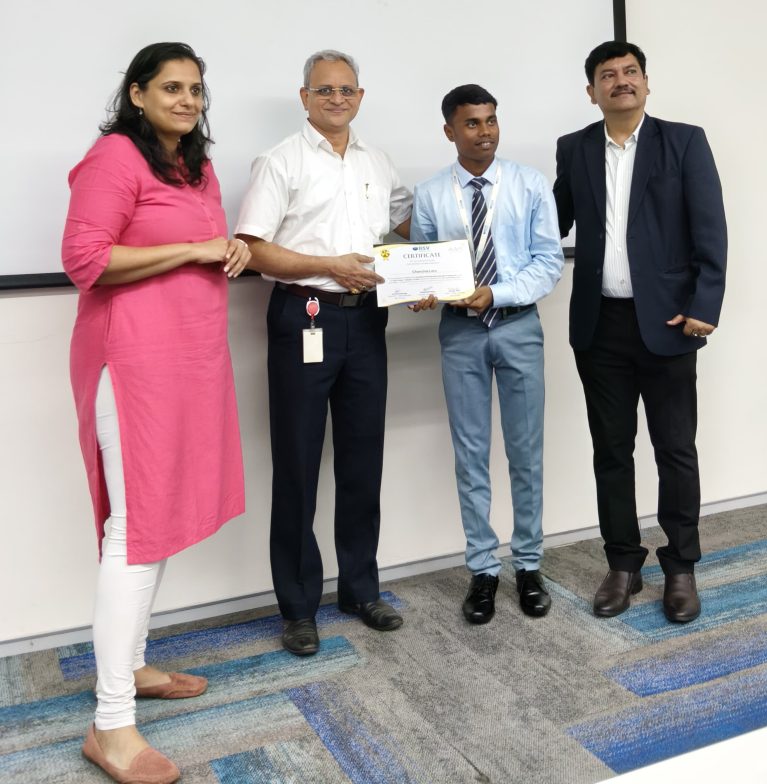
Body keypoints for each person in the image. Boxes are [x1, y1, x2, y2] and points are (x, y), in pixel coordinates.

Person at [62, 42, 249, 784]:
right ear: (136, 93)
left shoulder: (195, 165)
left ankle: (134, 665)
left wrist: (228, 249)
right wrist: (195, 249)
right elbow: (86, 260)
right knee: (136, 531)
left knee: (159, 517)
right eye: (171, 87)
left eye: (196, 89)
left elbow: (202, 243)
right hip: (133, 361)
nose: (187, 100)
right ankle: (109, 725)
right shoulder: (114, 157)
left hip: (190, 359)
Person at [235, 50, 412, 657]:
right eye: (324, 90)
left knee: (363, 461)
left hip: (367, 320)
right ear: (304, 97)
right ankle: (298, 608)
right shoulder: (280, 161)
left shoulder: (377, 161)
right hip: (303, 316)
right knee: (298, 463)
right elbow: (252, 248)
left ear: (360, 97)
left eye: (346, 90)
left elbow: (406, 224)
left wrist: (429, 270)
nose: (337, 99)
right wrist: (328, 265)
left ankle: (361, 590)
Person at [554, 40, 726, 624]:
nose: (621, 81)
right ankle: (623, 564)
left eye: (631, 72)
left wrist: (705, 303)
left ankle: (681, 567)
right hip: (600, 325)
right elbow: (549, 223)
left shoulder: (684, 142)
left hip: (670, 322)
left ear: (647, 83)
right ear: (592, 91)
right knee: (611, 452)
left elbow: (710, 228)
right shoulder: (575, 148)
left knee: (675, 450)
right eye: (608, 74)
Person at [410, 85, 564, 624]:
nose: (485, 132)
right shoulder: (431, 194)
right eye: (472, 123)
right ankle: (482, 569)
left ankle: (528, 565)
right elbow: (424, 262)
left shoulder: (529, 183)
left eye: (491, 120)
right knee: (471, 453)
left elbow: (548, 262)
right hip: (461, 333)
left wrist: (496, 293)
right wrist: (422, 291)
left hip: (518, 326)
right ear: (449, 131)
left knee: (526, 452)